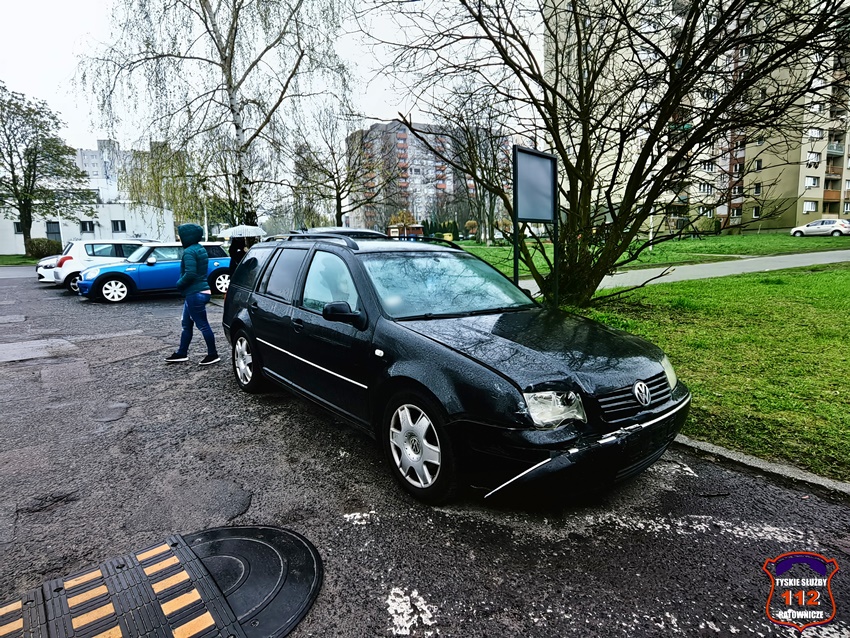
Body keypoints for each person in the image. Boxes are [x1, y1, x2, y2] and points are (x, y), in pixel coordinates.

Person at [165, 223, 220, 365]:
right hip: (199, 291)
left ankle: (213, 355)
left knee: (203, 325)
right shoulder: (200, 248)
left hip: (195, 293)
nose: (179, 238)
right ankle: (181, 353)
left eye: (181, 235)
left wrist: (179, 284)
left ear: (187, 236)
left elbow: (190, 273)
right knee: (186, 324)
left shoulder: (189, 252)